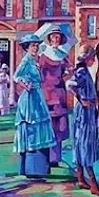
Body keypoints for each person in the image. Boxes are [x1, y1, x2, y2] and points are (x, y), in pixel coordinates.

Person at [13, 34, 56, 177]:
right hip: (30, 98)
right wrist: (25, 85)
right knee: (32, 126)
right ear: (26, 48)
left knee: (41, 126)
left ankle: (40, 167)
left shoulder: (34, 61)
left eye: (37, 46)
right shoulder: (26, 60)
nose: (35, 48)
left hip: (38, 96)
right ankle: (31, 168)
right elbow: (16, 76)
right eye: (33, 46)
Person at [69, 45, 99, 196]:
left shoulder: (84, 71)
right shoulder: (82, 72)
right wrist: (81, 99)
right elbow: (70, 85)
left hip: (86, 110)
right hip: (84, 111)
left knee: (80, 142)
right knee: (85, 143)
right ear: (87, 58)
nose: (94, 60)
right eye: (92, 57)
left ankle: (80, 178)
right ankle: (93, 184)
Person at [38, 25, 72, 168]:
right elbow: (40, 74)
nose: (56, 39)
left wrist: (65, 76)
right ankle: (47, 157)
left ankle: (56, 158)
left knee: (60, 127)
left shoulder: (63, 55)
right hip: (48, 93)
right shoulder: (44, 56)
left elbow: (70, 69)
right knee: (49, 126)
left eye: (58, 37)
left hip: (60, 93)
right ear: (50, 39)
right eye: (53, 37)